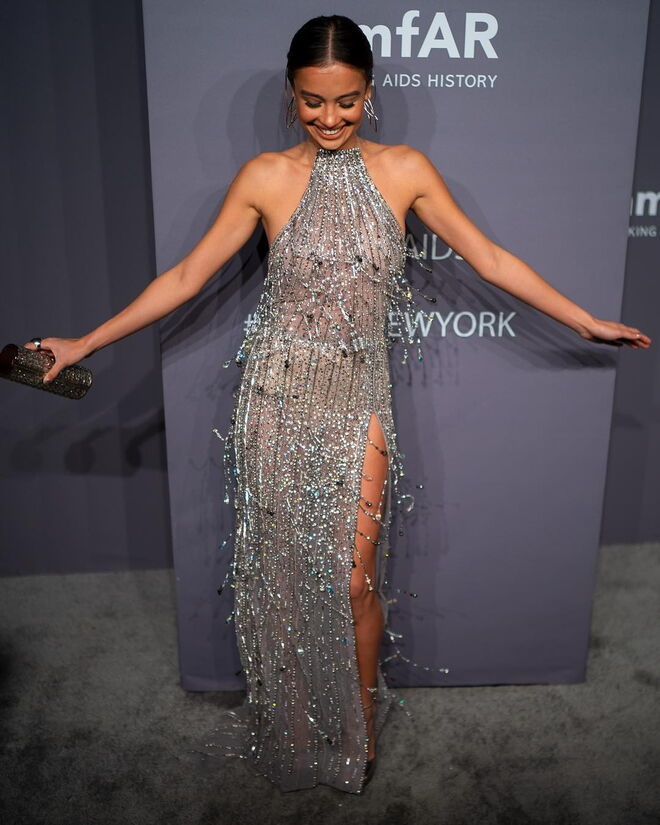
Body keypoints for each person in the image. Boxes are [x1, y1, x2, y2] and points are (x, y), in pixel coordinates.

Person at [24, 14, 650, 795]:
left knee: (351, 580)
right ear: (292, 94)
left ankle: (355, 723)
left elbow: (489, 257)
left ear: (371, 94)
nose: (329, 119)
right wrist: (84, 342)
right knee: (280, 575)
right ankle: (292, 721)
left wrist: (583, 317)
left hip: (358, 400)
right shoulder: (262, 178)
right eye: (314, 102)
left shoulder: (407, 170)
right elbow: (184, 279)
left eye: (346, 102)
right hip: (275, 398)